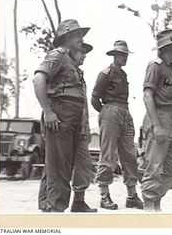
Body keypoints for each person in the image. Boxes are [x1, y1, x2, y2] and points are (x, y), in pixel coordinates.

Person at [33, 19, 96, 212]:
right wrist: (48, 112)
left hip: (71, 119)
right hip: (60, 116)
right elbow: (38, 79)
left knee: (57, 165)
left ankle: (47, 206)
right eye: (77, 35)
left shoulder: (71, 63)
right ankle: (56, 210)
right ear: (66, 37)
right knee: (60, 167)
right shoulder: (58, 55)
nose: (81, 39)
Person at [91, 40, 143, 210]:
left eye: (126, 54)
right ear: (114, 55)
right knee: (108, 156)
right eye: (121, 54)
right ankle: (104, 195)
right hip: (110, 110)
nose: (124, 57)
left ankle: (132, 196)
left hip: (125, 112)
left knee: (129, 155)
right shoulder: (105, 74)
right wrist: (107, 113)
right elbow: (94, 99)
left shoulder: (124, 75)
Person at [141, 29, 172, 212]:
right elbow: (147, 95)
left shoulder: (170, 68)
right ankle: (150, 206)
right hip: (159, 116)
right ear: (168, 47)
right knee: (155, 166)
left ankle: (156, 201)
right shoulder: (155, 66)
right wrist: (156, 125)